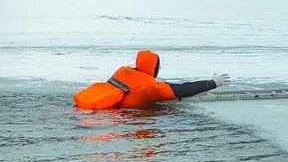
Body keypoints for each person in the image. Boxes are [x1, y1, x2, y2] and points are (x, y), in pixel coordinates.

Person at [74, 50, 230, 110]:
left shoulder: (123, 71)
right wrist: (211, 83)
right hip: (114, 115)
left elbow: (137, 81)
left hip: (90, 106)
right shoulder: (150, 88)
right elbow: (181, 90)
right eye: (158, 66)